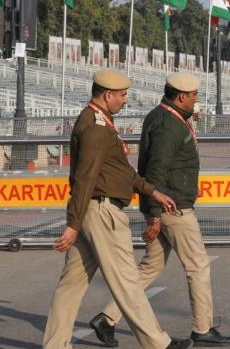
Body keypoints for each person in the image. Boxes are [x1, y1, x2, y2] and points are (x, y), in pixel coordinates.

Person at [43, 69, 192, 349]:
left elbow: (120, 171)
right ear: (108, 95)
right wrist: (73, 225)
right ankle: (159, 344)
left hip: (92, 211)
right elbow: (85, 178)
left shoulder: (98, 120)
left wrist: (152, 191)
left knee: (71, 285)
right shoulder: (96, 128)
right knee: (127, 283)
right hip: (102, 212)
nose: (125, 100)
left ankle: (55, 345)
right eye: (122, 95)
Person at [89, 74, 230, 347]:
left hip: (167, 202)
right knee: (198, 265)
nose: (196, 100)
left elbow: (168, 167)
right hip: (172, 208)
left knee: (151, 267)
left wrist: (180, 191)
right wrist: (155, 213)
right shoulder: (168, 125)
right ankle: (202, 327)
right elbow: (156, 169)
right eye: (194, 96)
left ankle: (107, 318)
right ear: (182, 96)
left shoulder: (163, 116)